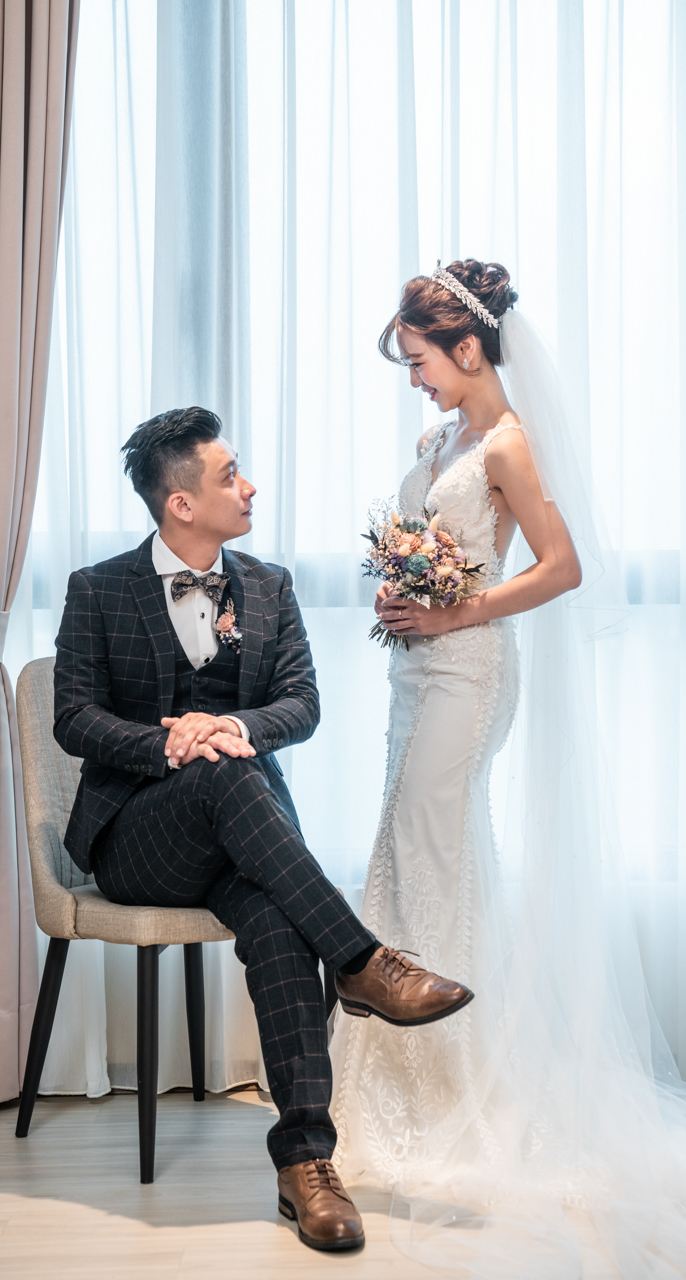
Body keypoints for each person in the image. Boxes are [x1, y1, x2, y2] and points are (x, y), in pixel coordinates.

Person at [328, 260, 686, 1277]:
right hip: (415, 676)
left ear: (468, 347)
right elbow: (438, 548)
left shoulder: (506, 442)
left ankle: (456, 1084)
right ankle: (395, 1080)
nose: (414, 380)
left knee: (438, 859)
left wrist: (458, 610)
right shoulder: (439, 441)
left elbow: (563, 566)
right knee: (404, 852)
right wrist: (405, 595)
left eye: (420, 360)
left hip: (468, 678)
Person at [53, 406, 473, 1255]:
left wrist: (233, 727)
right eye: (229, 475)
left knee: (280, 919)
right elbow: (73, 717)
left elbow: (302, 703)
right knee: (220, 769)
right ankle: (363, 960)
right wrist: (170, 742)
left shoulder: (270, 585)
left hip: (240, 837)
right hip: (138, 838)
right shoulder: (98, 588)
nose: (249, 487)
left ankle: (306, 1164)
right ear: (181, 504)